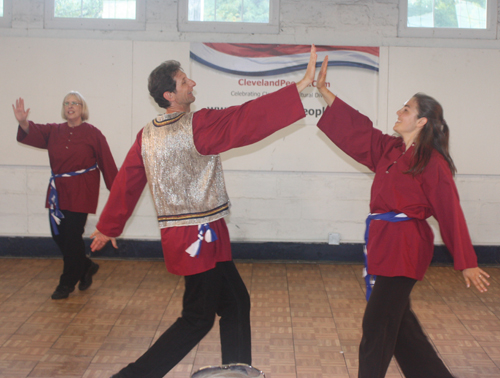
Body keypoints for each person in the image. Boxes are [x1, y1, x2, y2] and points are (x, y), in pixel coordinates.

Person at [89, 46, 318, 378]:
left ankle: (237, 371)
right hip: (197, 238)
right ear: (170, 95)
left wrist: (109, 225)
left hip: (197, 234)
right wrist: (298, 89)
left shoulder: (147, 135)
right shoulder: (198, 125)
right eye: (184, 81)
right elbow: (246, 118)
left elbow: (128, 180)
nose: (192, 83)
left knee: (236, 304)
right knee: (197, 319)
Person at [315, 56, 490, 378]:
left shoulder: (431, 162)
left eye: (406, 109)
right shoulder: (390, 150)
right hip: (384, 243)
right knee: (401, 329)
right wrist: (324, 91)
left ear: (422, 121)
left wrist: (467, 261)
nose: (399, 112)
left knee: (377, 325)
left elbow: (450, 212)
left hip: (405, 247)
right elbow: (358, 130)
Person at [13, 92, 118, 300]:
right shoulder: (54, 131)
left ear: (82, 108)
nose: (70, 106)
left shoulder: (93, 134)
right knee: (59, 235)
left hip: (82, 190)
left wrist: (117, 195)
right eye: (67, 103)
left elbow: (107, 163)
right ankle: (86, 266)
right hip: (58, 192)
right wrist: (23, 121)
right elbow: (31, 131)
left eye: (75, 103)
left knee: (71, 236)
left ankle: (66, 283)